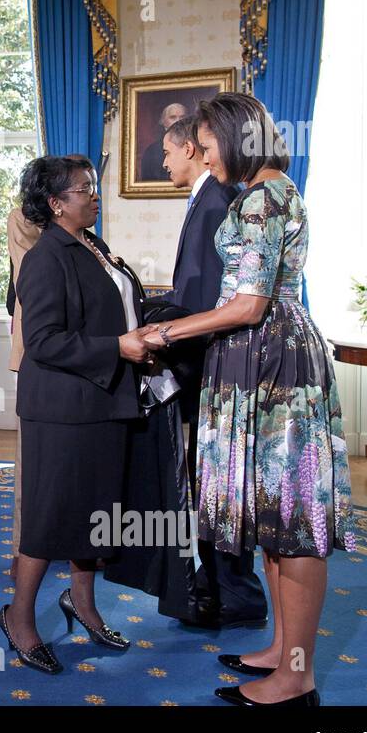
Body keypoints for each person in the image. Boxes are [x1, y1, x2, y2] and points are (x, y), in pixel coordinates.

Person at [140, 92, 353, 707]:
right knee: (274, 515)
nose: (205, 158)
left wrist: (165, 332)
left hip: (269, 358)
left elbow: (248, 304)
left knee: (290, 519)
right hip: (269, 354)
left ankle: (295, 676)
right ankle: (283, 650)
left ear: (234, 138)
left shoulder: (260, 199)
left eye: (207, 147)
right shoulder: (278, 187)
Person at [0, 156, 157, 675]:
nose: (95, 196)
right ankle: (19, 617)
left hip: (104, 402)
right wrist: (120, 346)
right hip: (63, 412)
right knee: (49, 520)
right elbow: (43, 342)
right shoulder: (46, 256)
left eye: (93, 187)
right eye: (84, 190)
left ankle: (82, 604)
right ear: (54, 203)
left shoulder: (93, 245)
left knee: (97, 516)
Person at [159, 114, 268, 629]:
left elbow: (207, 298)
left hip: (212, 361)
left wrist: (163, 332)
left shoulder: (215, 205)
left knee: (218, 482)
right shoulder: (208, 202)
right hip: (207, 356)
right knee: (210, 480)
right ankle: (219, 583)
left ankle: (232, 591)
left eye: (170, 151)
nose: (163, 161)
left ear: (195, 151)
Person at [6, 203, 41, 577]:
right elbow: (29, 281)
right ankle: (23, 549)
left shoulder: (89, 239)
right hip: (37, 351)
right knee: (29, 460)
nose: (92, 198)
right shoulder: (24, 218)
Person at [139, 101, 188, 181]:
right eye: (173, 117)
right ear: (163, 122)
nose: (178, 121)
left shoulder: (196, 145)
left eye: (182, 117)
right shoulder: (151, 151)